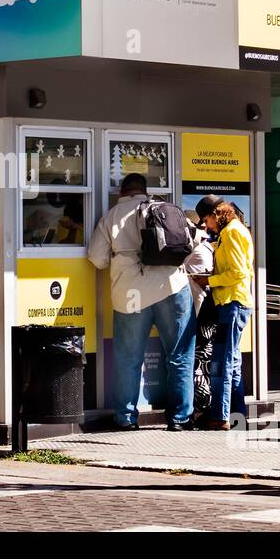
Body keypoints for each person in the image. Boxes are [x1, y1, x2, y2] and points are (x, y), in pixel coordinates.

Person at [88, 173, 196, 431]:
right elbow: (186, 246)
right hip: (172, 287)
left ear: (122, 191)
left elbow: (97, 259)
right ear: (144, 191)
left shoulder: (112, 216)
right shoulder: (161, 207)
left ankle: (125, 419)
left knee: (128, 358)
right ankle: (180, 419)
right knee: (180, 353)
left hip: (130, 294)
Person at [192, 201, 254, 431]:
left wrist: (209, 280)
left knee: (221, 362)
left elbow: (237, 272)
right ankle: (237, 416)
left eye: (207, 221)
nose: (207, 226)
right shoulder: (233, 230)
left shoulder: (232, 232)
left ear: (215, 215)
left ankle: (219, 417)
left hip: (232, 303)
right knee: (233, 363)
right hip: (233, 302)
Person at [184, 199, 222, 423]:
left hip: (201, 312)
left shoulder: (196, 248)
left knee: (199, 360)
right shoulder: (209, 245)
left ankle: (201, 407)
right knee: (206, 359)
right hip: (210, 309)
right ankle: (206, 406)